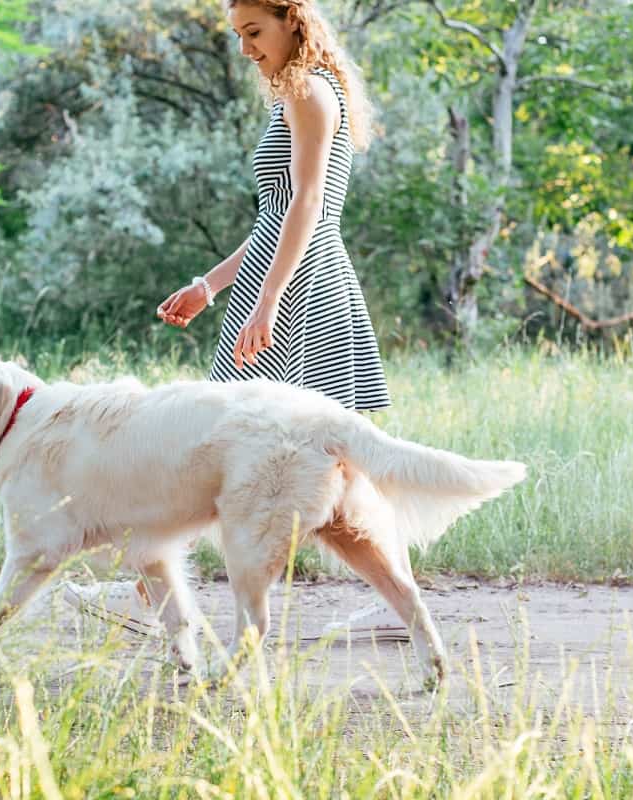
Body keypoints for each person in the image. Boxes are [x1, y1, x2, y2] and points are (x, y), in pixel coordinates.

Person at [79, 0, 403, 642]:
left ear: (294, 20)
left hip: (301, 291)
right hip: (280, 281)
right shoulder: (301, 90)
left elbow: (308, 207)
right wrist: (210, 285)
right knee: (281, 452)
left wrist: (268, 300)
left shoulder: (310, 91)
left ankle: (148, 594)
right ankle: (151, 591)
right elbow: (274, 217)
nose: (246, 48)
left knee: (225, 447)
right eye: (238, 36)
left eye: (255, 32)